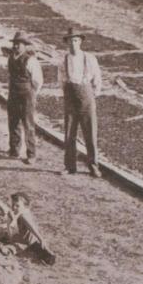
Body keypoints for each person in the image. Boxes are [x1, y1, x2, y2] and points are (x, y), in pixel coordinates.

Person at [57, 31, 102, 177]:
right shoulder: (63, 60)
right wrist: (68, 95)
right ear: (66, 43)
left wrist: (91, 95)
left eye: (76, 40)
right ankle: (70, 166)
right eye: (70, 41)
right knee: (70, 134)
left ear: (80, 42)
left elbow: (97, 80)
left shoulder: (89, 59)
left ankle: (93, 166)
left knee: (90, 133)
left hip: (87, 98)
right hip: (70, 99)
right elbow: (61, 81)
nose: (73, 44)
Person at [5, 31, 43, 164]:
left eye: (19, 44)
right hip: (13, 94)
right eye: (15, 44)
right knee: (13, 122)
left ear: (25, 46)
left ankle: (31, 154)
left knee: (28, 125)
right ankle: (14, 151)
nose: (16, 46)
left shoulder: (31, 60)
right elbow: (10, 77)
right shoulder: (10, 58)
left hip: (27, 95)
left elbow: (38, 81)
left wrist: (32, 94)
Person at [5, 192, 56, 265]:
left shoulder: (24, 215)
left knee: (47, 257)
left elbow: (32, 227)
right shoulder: (21, 213)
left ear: (25, 206)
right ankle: (46, 255)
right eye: (13, 205)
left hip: (30, 242)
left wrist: (41, 239)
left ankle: (47, 256)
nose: (14, 207)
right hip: (28, 241)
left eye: (17, 206)